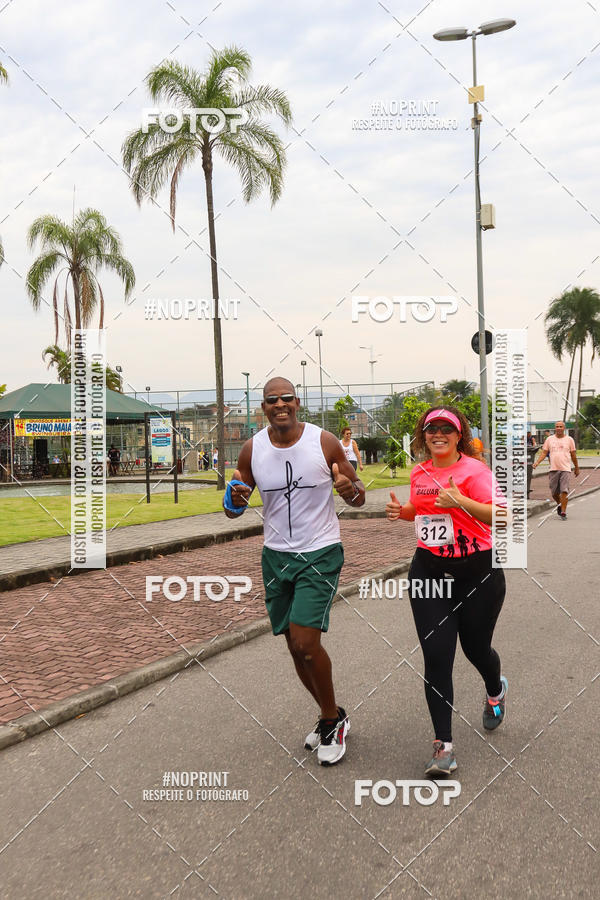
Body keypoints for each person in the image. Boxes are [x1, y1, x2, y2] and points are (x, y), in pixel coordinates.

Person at [224, 377, 365, 765]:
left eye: (287, 398)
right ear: (264, 407)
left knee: (305, 642)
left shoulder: (324, 442)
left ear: (297, 402)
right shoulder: (252, 448)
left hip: (319, 552)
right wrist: (233, 500)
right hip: (275, 556)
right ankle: (332, 716)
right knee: (293, 646)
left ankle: (330, 720)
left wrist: (347, 488)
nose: (280, 404)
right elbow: (236, 502)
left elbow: (358, 495)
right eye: (272, 400)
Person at [386, 406, 508, 776]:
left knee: (475, 649)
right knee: (437, 656)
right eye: (430, 428)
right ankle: (444, 747)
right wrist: (402, 512)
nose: (437, 433)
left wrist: (462, 502)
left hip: (478, 574)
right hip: (429, 572)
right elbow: (424, 513)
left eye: (446, 428)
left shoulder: (475, 472)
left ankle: (495, 687)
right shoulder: (420, 472)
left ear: (459, 436)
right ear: (423, 436)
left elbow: (503, 516)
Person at [532, 421, 579, 519]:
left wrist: (576, 468)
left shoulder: (569, 439)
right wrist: (537, 463)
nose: (559, 428)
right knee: (554, 493)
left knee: (564, 490)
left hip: (565, 469)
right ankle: (559, 504)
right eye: (557, 426)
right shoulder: (549, 439)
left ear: (564, 428)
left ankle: (563, 512)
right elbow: (544, 453)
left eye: (561, 426)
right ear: (555, 428)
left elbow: (573, 455)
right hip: (553, 469)